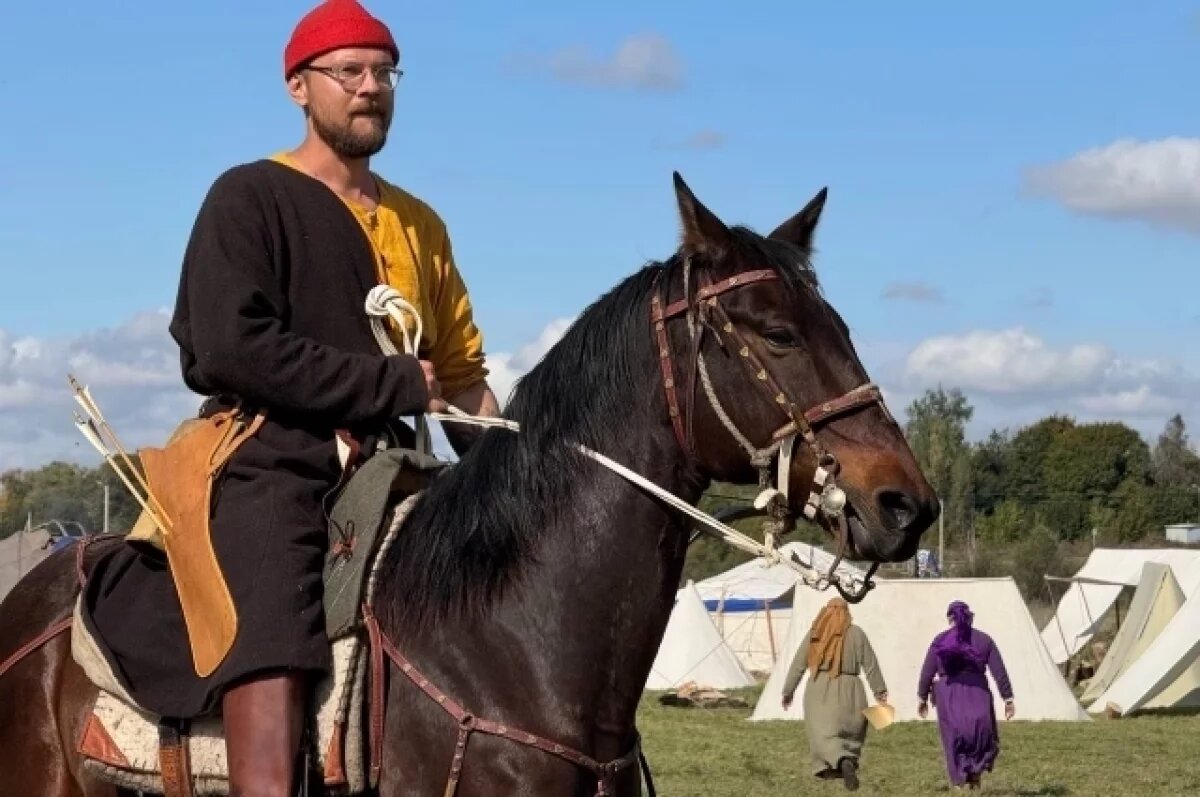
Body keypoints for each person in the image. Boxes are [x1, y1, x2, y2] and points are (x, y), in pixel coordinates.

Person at [79, 1, 501, 793]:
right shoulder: (250, 196)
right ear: (299, 88)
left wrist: (520, 471)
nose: (369, 88)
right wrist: (392, 382)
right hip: (271, 452)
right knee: (271, 601)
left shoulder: (421, 225)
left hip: (395, 460)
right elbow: (231, 347)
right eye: (348, 72)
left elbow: (464, 377)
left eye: (383, 73)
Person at [781, 596, 889, 792]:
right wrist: (879, 691)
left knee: (822, 734)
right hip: (853, 690)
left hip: (820, 689)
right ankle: (846, 761)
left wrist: (788, 691)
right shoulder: (857, 633)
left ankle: (829, 767)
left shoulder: (816, 634)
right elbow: (870, 665)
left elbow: (799, 664)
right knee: (850, 734)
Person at [917, 600, 1015, 791]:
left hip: (949, 693)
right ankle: (975, 776)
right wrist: (1008, 698)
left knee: (954, 737)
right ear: (970, 617)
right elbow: (999, 670)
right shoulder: (984, 640)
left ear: (949, 618)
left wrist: (922, 697)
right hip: (977, 691)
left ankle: (959, 781)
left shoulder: (939, 640)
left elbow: (927, 671)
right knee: (979, 734)